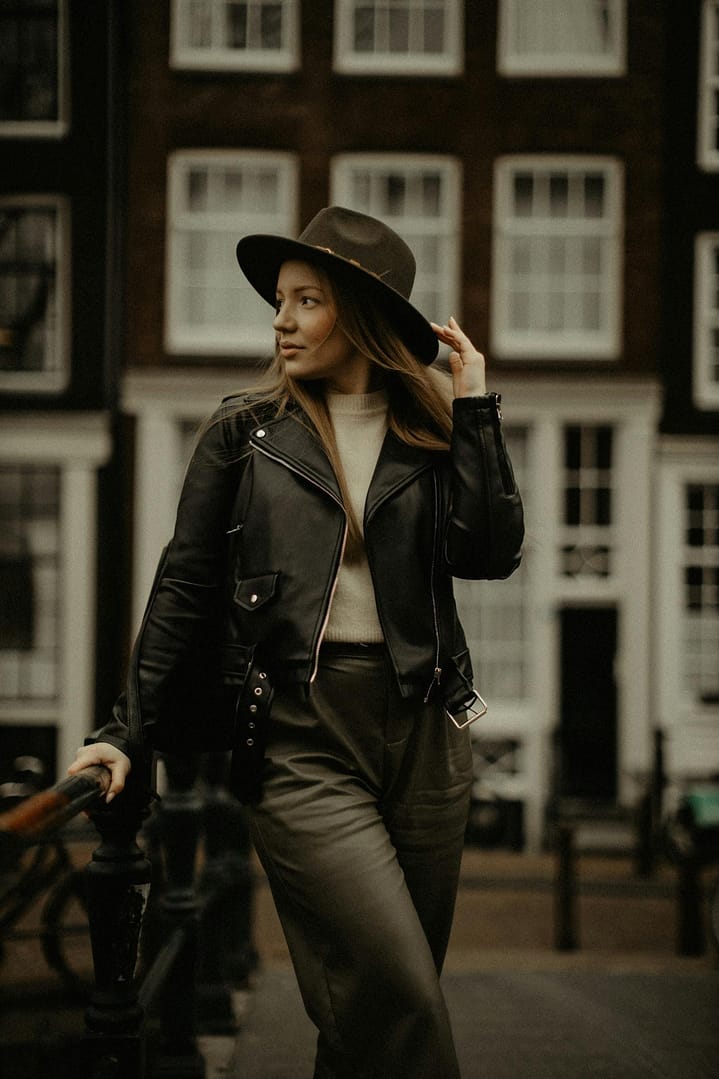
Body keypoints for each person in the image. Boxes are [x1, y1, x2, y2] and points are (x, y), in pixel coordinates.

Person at [69, 206, 524, 1078]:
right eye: (280, 300)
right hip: (298, 739)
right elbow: (183, 586)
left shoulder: (429, 433)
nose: (280, 319)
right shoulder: (243, 435)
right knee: (397, 991)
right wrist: (127, 729)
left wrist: (474, 410)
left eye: (306, 300)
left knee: (373, 1005)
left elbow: (488, 551)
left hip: (427, 738)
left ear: (357, 314)